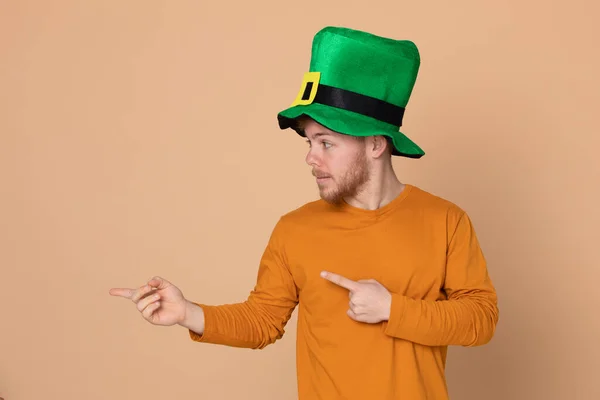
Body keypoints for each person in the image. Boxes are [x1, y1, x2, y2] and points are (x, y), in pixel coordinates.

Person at [109, 26, 499, 399]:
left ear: (376, 144)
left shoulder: (445, 220)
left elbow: (480, 320)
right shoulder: (295, 229)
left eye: (326, 143)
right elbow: (261, 322)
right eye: (310, 141)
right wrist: (188, 313)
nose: (311, 157)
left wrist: (392, 309)